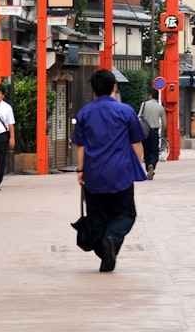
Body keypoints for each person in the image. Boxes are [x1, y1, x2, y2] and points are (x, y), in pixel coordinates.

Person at [72, 69, 147, 272]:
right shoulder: (126, 112)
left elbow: (81, 146)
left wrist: (81, 170)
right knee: (125, 214)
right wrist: (137, 164)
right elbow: (136, 143)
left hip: (93, 173)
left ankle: (106, 252)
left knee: (97, 216)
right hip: (120, 172)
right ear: (114, 87)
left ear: (94, 89)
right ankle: (112, 240)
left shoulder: (85, 113)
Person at [138, 89, 167, 179]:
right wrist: (163, 132)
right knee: (155, 151)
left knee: (146, 151)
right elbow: (164, 123)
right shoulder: (160, 108)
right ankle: (152, 165)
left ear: (150, 95)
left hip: (145, 131)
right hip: (154, 131)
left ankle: (148, 169)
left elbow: (139, 117)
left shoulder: (144, 104)